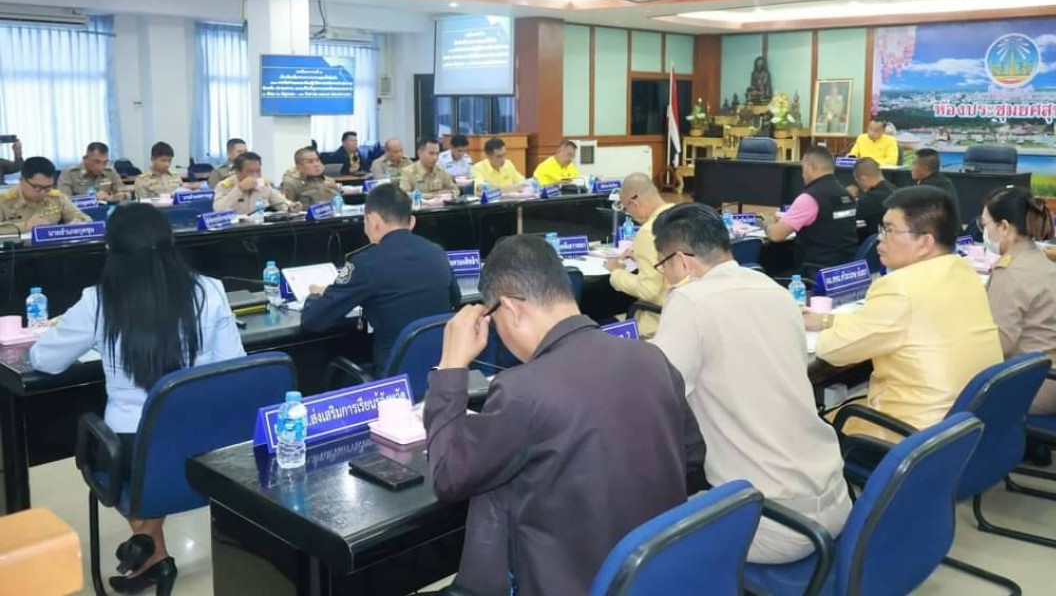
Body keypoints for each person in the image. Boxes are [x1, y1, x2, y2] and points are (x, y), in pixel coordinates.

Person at [423, 234, 704, 594]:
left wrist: (450, 366)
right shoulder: (653, 359)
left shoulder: (522, 389)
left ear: (510, 308)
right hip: (654, 577)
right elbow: (692, 457)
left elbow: (447, 475)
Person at [29, 203, 246, 594]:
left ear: (109, 249)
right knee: (160, 457)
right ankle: (153, 555)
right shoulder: (209, 290)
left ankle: (148, 547)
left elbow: (45, 360)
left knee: (139, 460)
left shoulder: (98, 301)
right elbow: (233, 367)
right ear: (171, 242)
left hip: (131, 451)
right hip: (204, 445)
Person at [651, 203, 850, 564]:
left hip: (773, 523)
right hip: (836, 500)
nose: (665, 276)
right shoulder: (774, 290)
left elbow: (660, 394)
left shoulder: (690, 301)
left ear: (681, 260)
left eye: (663, 265)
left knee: (647, 531)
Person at [807, 187, 1003, 440]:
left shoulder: (898, 288)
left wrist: (809, 330)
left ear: (925, 242)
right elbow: (893, 323)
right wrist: (826, 319)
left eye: (889, 230)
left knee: (809, 426)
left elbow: (833, 350)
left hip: (911, 435)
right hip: (963, 427)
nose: (880, 238)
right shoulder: (963, 271)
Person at [302, 184, 458, 370]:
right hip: (441, 367)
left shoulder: (366, 262)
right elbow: (455, 299)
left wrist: (315, 295)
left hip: (393, 376)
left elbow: (314, 321)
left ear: (373, 220)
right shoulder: (436, 251)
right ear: (412, 222)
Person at [981, 187, 1056, 414]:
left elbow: (1000, 344)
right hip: (1053, 376)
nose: (984, 232)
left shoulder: (1010, 271)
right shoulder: (1039, 259)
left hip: (1030, 385)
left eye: (985, 225)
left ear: (1004, 227)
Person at [765, 146, 859, 274]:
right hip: (845, 271)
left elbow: (776, 235)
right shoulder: (846, 194)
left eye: (803, 169)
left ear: (810, 168)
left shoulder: (810, 197)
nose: (802, 174)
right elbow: (828, 221)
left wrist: (767, 225)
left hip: (814, 272)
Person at [605, 174, 673, 336]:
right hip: (689, 315)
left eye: (627, 209)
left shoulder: (648, 231)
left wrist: (616, 272)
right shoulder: (685, 216)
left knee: (599, 321)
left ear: (634, 203)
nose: (630, 215)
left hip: (658, 322)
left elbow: (648, 290)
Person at [0, 156, 92, 230]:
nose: (43, 192)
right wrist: (25, 226)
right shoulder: (4, 201)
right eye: (37, 187)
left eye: (48, 187)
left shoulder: (57, 198)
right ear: (22, 181)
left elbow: (84, 218)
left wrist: (79, 223)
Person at [213, 152, 299, 215]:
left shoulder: (262, 183)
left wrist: (291, 206)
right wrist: (239, 189)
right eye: (250, 172)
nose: (255, 175)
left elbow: (280, 202)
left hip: (259, 227)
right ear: (237, 172)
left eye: (258, 171)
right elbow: (219, 210)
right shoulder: (225, 185)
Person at [58, 142, 127, 201]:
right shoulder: (70, 173)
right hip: (79, 211)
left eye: (105, 162)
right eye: (97, 162)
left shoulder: (110, 172)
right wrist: (91, 198)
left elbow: (126, 193)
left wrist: (115, 197)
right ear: (85, 159)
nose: (101, 167)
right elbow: (64, 201)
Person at [850, 157, 897, 241]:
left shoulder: (871, 198)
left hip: (878, 242)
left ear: (863, 178)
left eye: (858, 181)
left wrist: (848, 197)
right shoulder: (895, 190)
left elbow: (849, 216)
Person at [911, 147, 960, 222]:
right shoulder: (943, 181)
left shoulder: (927, 190)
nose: (911, 168)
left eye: (914, 165)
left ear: (924, 169)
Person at [134, 142, 198, 198]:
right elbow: (142, 204)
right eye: (163, 160)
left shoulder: (175, 176)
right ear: (153, 159)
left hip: (177, 207)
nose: (167, 164)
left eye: (169, 161)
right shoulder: (142, 180)